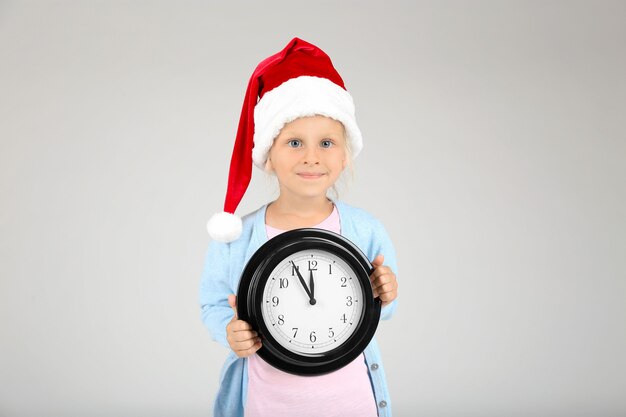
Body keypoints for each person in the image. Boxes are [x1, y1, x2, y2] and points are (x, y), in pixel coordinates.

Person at [200, 37, 399, 417]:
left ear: (344, 155)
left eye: (326, 142)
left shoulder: (365, 229)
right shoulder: (237, 239)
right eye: (294, 142)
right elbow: (212, 302)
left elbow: (381, 308)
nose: (311, 157)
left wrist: (387, 293)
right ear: (268, 155)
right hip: (270, 402)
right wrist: (231, 329)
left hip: (349, 401)